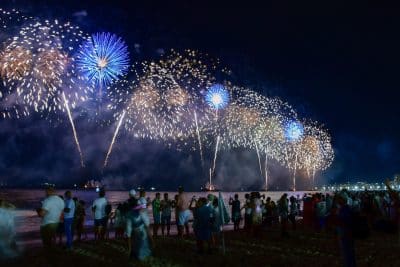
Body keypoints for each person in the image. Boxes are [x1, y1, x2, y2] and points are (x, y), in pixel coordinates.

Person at [336, 191, 356, 267]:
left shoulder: (345, 209)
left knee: (347, 252)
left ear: (343, 200)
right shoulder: (346, 208)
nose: (338, 201)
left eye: (339, 199)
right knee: (348, 251)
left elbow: (343, 221)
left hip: (345, 233)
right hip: (346, 233)